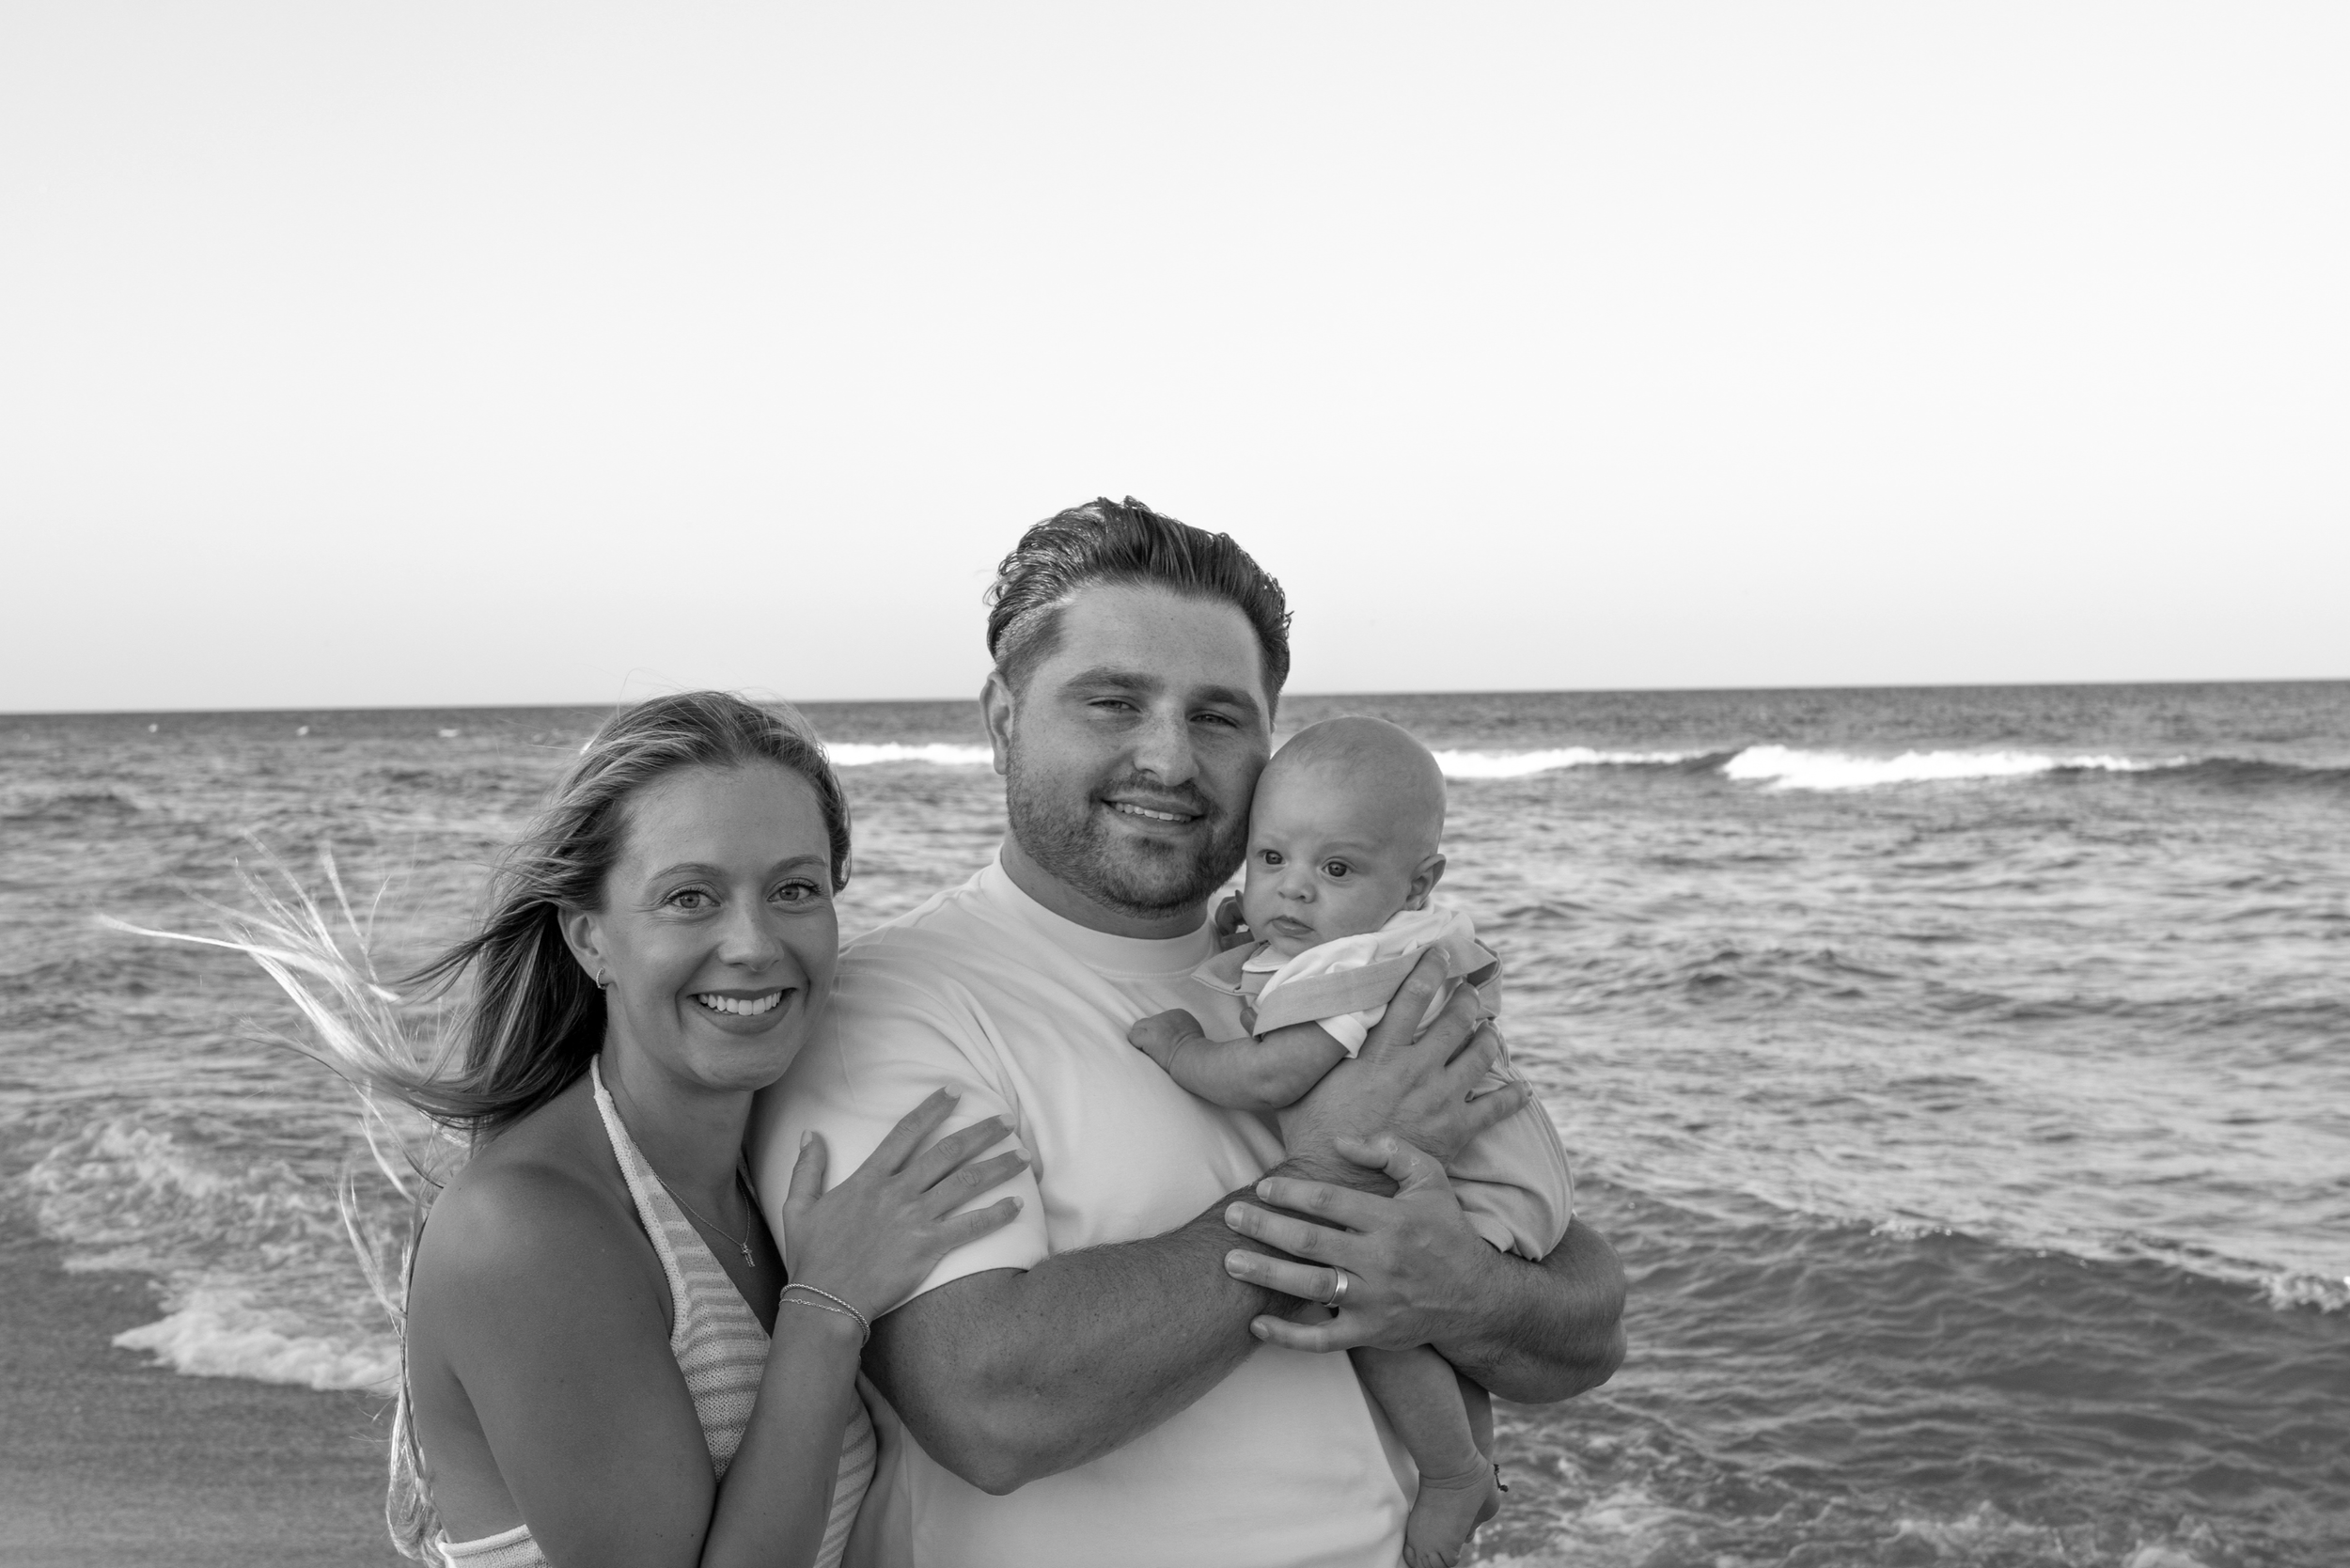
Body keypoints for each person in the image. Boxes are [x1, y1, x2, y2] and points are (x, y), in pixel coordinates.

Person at [750, 499, 1627, 1568]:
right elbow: (992, 1407)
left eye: (1216, 717)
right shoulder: (898, 1005)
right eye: (1112, 701)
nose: (1166, 760)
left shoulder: (1333, 964)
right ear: (1002, 721)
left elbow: (1582, 1331)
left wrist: (1467, 1290)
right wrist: (1327, 1178)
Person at [138, 693, 1029, 1568]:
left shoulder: (758, 1170)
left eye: (794, 889)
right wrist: (827, 1310)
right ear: (590, 939)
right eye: (690, 897)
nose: (755, 943)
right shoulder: (526, 1228)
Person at [1124, 714, 1574, 1568]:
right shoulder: (1388, 944)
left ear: (1417, 884)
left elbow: (1268, 1074)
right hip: (1505, 1170)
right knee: (1437, 1328)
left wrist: (1182, 1047)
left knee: (1369, 1305)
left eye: (1334, 869)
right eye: (1271, 860)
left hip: (1480, 1188)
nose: (1293, 891)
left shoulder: (1357, 970)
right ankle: (1478, 1463)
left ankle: (1446, 1471)